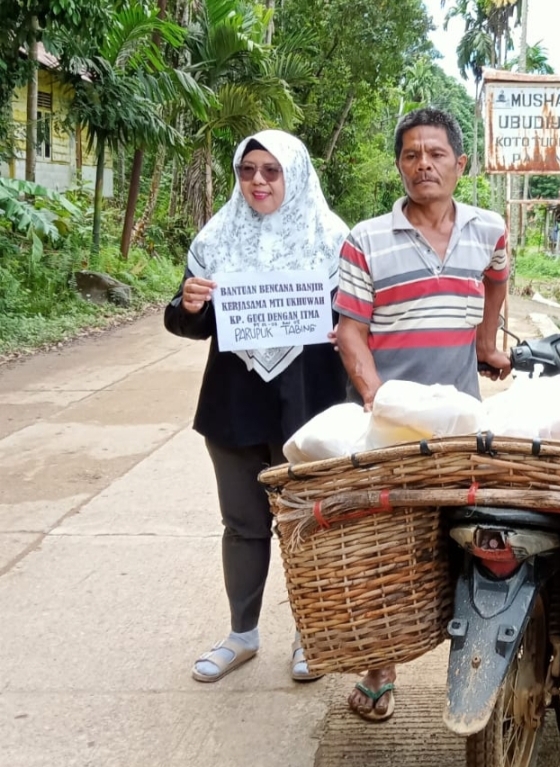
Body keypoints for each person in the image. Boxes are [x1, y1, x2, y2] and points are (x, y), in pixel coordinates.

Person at [333, 107, 512, 721]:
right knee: (387, 544)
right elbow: (350, 332)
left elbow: (497, 278)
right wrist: (376, 398)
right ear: (399, 166)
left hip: (462, 417)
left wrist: (486, 343)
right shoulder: (364, 239)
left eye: (436, 154)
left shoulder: (490, 229)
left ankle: (482, 645)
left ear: (461, 164)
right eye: (411, 155)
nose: (423, 165)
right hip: (390, 423)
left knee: (472, 529)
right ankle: (380, 669)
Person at [164, 130, 350, 684]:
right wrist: (189, 305)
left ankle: (309, 637)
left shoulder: (334, 240)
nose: (258, 181)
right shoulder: (217, 238)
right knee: (242, 524)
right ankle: (241, 635)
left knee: (308, 526)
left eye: (272, 171)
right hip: (234, 405)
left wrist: (347, 330)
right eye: (247, 171)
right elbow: (188, 321)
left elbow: (361, 320)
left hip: (310, 406)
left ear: (296, 174)